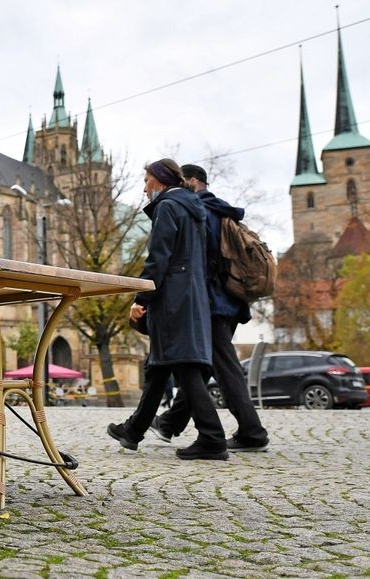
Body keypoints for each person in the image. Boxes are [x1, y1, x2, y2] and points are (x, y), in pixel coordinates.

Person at [107, 159, 228, 460]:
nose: (144, 187)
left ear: (160, 181)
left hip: (173, 298)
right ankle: (133, 430)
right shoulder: (193, 209)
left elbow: (158, 258)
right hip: (191, 296)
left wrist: (141, 298)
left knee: (183, 365)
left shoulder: (168, 207)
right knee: (160, 365)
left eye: (147, 180)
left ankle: (213, 437)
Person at [149, 164, 269, 452]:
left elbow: (195, 261)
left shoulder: (200, 210)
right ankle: (169, 424)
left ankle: (252, 433)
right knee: (200, 368)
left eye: (182, 180)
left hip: (211, 303)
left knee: (221, 367)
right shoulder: (220, 209)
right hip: (230, 300)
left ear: (192, 181)